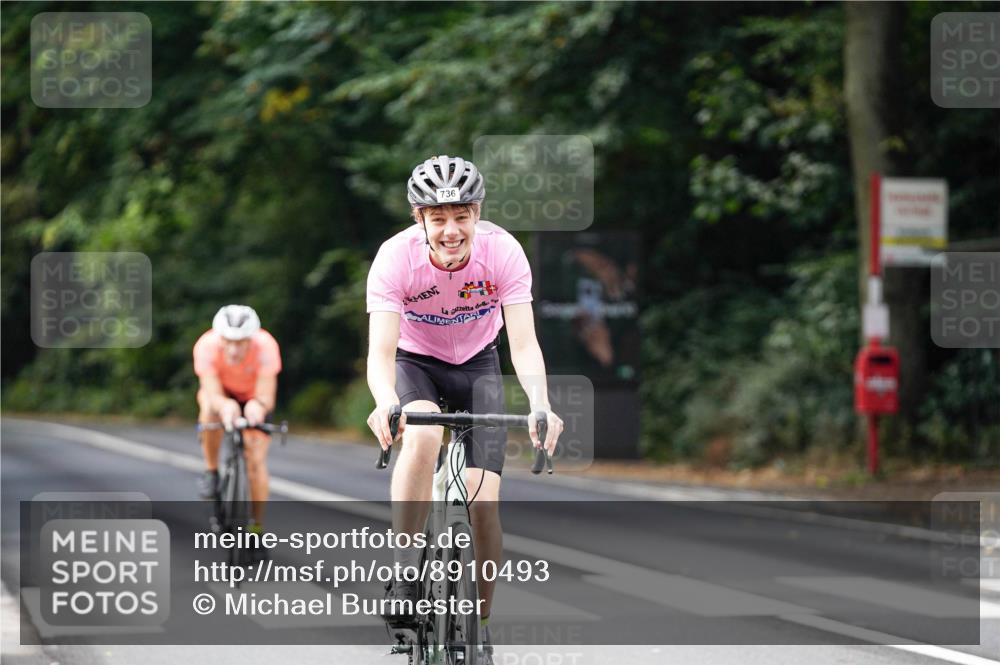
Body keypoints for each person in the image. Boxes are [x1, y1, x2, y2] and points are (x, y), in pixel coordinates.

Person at [366, 155, 564, 664]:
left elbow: (523, 343)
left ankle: (481, 624)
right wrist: (386, 401)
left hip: (478, 364)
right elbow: (381, 351)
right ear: (419, 220)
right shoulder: (394, 259)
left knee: (485, 504)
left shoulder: (503, 253)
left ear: (477, 213)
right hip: (417, 363)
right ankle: (407, 571)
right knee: (425, 436)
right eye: (438, 218)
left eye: (461, 215)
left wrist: (541, 403)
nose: (451, 230)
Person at [193, 305, 282, 536]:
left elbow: (266, 395)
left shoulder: (266, 346)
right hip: (221, 394)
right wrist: (224, 405)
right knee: (209, 410)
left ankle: (256, 527)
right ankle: (211, 470)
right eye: (228, 341)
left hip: (254, 396)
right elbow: (211, 392)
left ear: (251, 339)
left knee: (255, 462)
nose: (233, 349)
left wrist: (258, 406)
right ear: (218, 338)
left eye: (241, 342)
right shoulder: (206, 346)